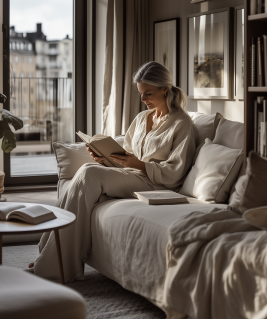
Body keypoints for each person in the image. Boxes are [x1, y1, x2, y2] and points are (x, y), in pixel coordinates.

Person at [31, 61, 196, 282]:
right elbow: (126, 155)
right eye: (140, 93)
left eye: (148, 94)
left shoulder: (181, 123)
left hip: (158, 184)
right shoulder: (141, 118)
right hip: (134, 176)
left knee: (90, 174)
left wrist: (136, 164)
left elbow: (175, 172)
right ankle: (50, 252)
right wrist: (106, 159)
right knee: (90, 168)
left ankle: (55, 263)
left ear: (164, 89)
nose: (143, 99)